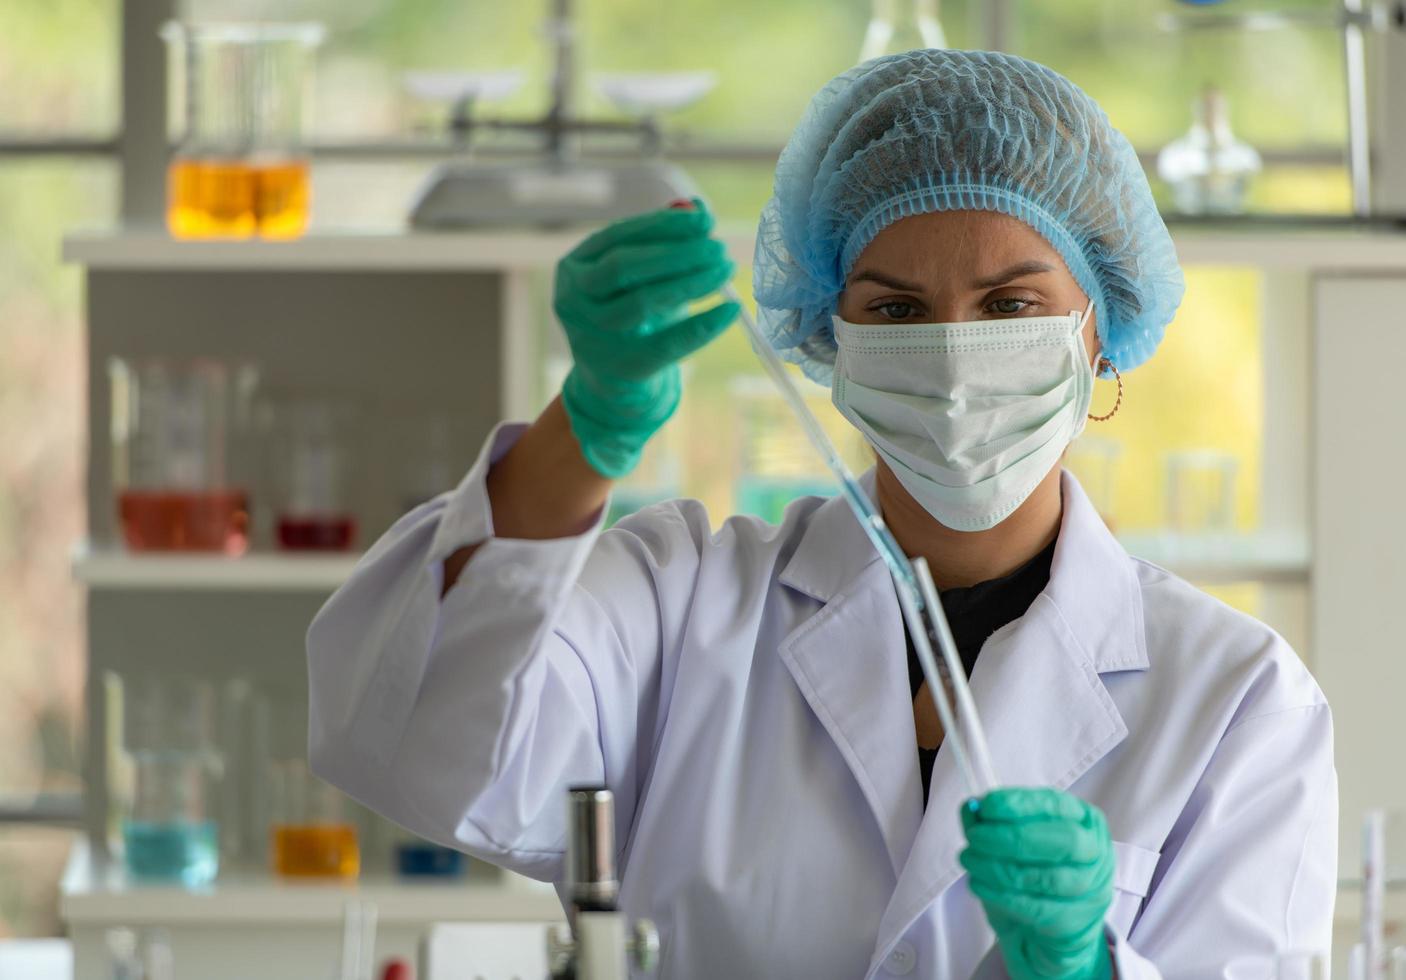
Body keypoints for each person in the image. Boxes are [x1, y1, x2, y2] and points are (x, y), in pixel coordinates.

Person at [307, 49, 1335, 979]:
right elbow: (413, 742)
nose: (948, 353)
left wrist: (1085, 969)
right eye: (892, 309)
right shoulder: (686, 602)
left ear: (1100, 331)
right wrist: (585, 425)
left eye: (1009, 304)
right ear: (828, 341)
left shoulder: (1237, 698)